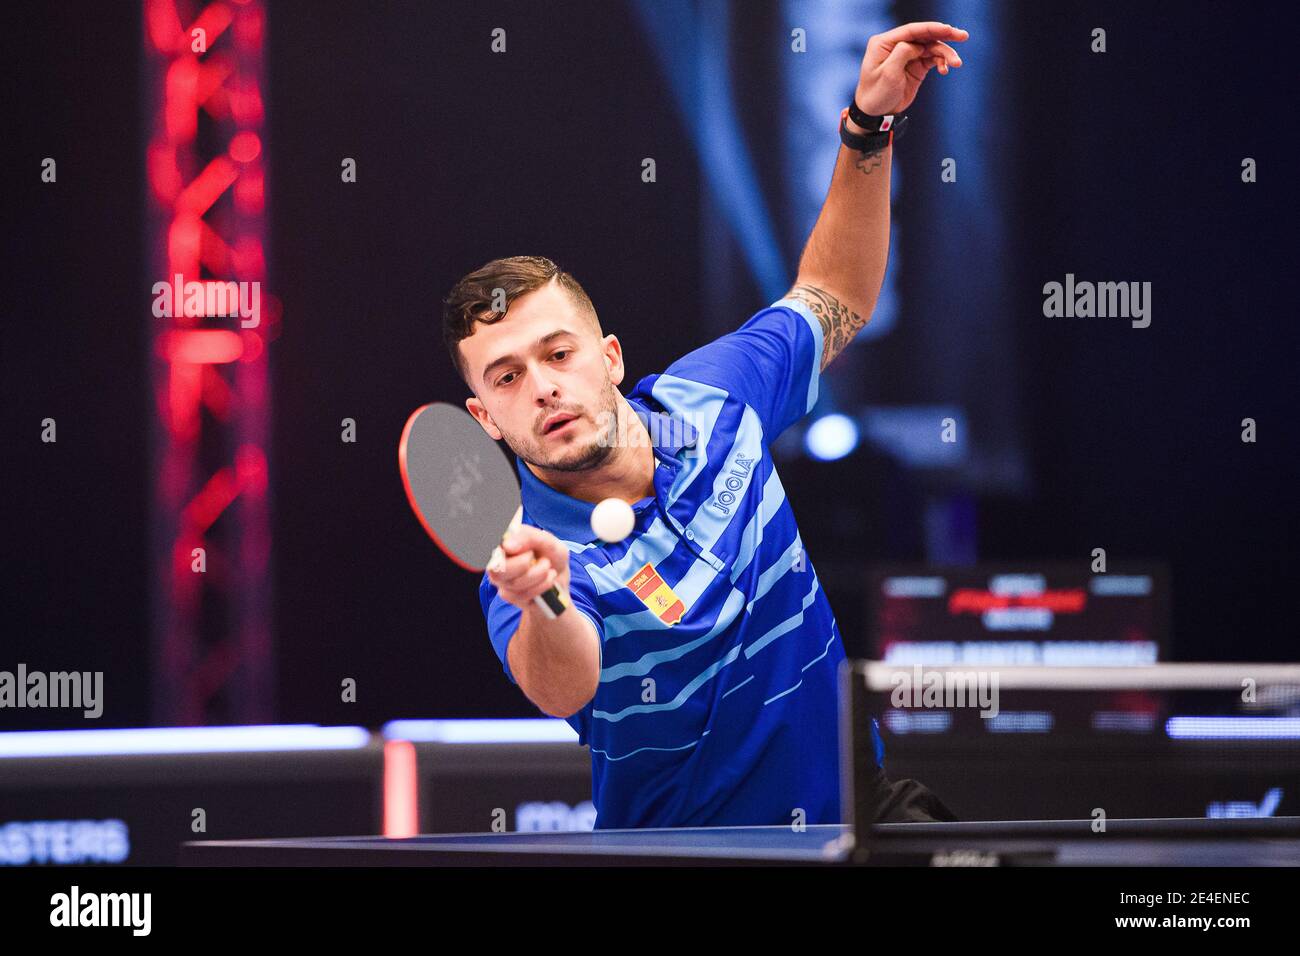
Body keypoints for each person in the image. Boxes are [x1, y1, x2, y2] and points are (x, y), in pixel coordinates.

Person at [441, 21, 967, 828]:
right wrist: (545, 598)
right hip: (695, 854)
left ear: (609, 357)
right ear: (485, 416)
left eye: (558, 353)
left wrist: (868, 126)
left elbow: (836, 295)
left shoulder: (712, 399)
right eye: (508, 377)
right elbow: (564, 684)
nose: (543, 388)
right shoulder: (528, 563)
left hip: (862, 818)